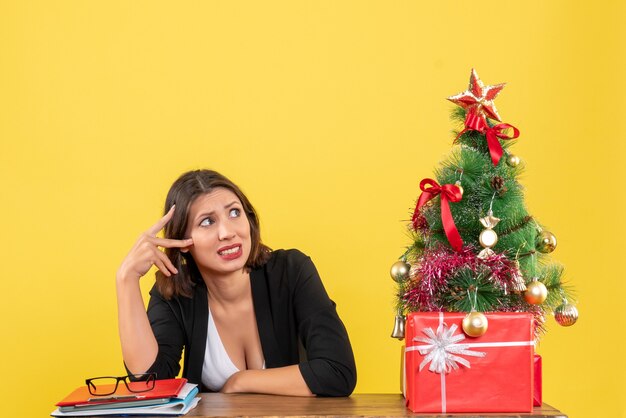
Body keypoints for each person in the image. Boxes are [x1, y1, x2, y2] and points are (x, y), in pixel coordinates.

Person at [116, 169, 356, 396]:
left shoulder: (291, 270)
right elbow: (149, 385)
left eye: (234, 212)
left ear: (248, 219)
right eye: (207, 222)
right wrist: (126, 280)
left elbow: (337, 372)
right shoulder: (174, 293)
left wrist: (240, 381)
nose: (227, 232)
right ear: (184, 242)